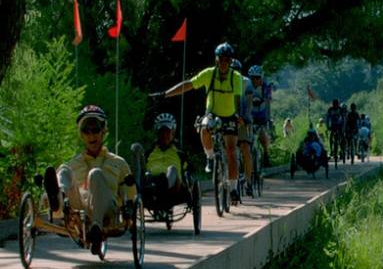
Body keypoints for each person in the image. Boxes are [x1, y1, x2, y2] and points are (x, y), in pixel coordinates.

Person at [43, 105, 136, 254]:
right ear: (81, 134)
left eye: (95, 129)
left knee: (95, 174)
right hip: (80, 208)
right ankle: (57, 200)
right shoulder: (74, 163)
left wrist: (129, 212)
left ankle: (97, 228)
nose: (91, 135)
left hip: (107, 208)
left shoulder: (119, 163)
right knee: (64, 170)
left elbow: (131, 195)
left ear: (104, 130)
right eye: (86, 130)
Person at [159, 42, 243, 202]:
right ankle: (210, 157)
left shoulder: (236, 77)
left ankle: (233, 188)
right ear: (216, 60)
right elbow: (188, 85)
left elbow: (238, 99)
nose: (224, 63)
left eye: (227, 60)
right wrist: (166, 94)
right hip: (212, 113)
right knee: (204, 127)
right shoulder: (209, 74)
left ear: (230, 61)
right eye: (221, 59)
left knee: (231, 152)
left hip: (230, 115)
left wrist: (238, 115)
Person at [131, 113, 182, 204]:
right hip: (150, 181)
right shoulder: (150, 151)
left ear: (173, 133)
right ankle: (138, 191)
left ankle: (160, 189)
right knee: (136, 147)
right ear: (157, 133)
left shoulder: (179, 153)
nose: (164, 135)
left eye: (167, 132)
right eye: (161, 132)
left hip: (171, 188)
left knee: (172, 169)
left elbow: (188, 171)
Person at [233, 59, 255, 197]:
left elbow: (248, 103)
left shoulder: (246, 82)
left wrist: (244, 118)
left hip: (242, 119)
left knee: (245, 149)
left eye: (236, 70)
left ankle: (248, 182)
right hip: (228, 119)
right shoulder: (223, 81)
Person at [248, 65, 273, 167]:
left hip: (261, 114)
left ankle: (266, 154)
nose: (255, 80)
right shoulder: (246, 85)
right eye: (252, 78)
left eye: (257, 77)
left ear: (261, 77)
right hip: (250, 114)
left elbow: (267, 102)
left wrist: (268, 118)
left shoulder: (265, 86)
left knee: (262, 134)